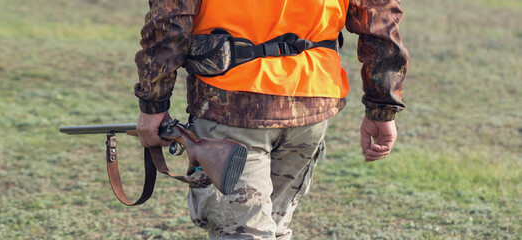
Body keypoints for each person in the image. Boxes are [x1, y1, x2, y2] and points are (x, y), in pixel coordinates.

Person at [134, 0, 408, 239]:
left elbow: (168, 23)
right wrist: (381, 107)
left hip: (231, 103)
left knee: (244, 231)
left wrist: (153, 104)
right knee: (273, 226)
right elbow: (380, 19)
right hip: (312, 102)